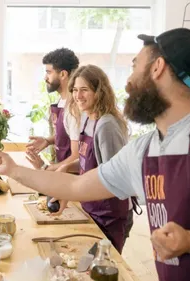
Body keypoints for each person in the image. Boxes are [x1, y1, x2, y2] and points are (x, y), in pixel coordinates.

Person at [0, 28, 190, 280]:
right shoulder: (144, 150)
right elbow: (77, 185)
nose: (128, 82)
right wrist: (13, 170)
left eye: (134, 67)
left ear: (158, 67)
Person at [28, 65, 134, 253]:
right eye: (75, 90)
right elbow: (88, 161)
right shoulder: (87, 118)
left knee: (102, 268)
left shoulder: (107, 125)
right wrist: (66, 168)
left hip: (110, 215)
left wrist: (69, 191)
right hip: (92, 207)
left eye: (84, 90)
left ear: (99, 91)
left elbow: (113, 178)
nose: (78, 96)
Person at [26, 48, 80, 170]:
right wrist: (47, 141)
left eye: (49, 72)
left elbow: (77, 156)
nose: (45, 78)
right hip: (61, 171)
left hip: (72, 178)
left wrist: (45, 168)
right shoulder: (61, 102)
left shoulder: (74, 108)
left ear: (63, 74)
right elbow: (68, 133)